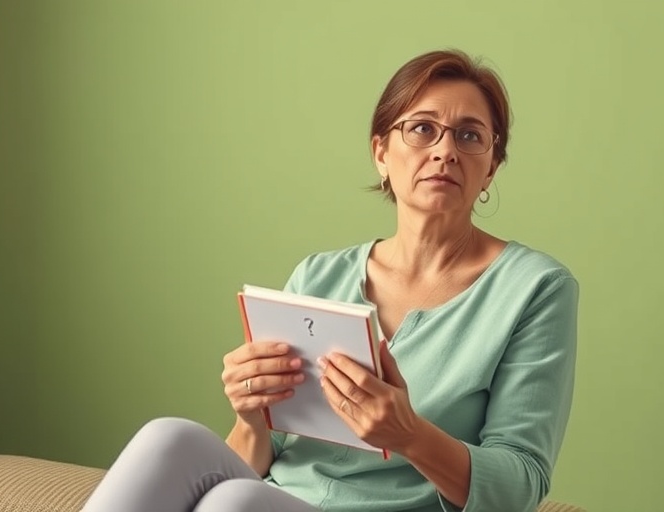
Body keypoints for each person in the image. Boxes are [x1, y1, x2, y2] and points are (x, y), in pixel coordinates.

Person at [81, 49, 579, 512]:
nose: (445, 150)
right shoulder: (318, 276)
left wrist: (409, 435)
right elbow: (261, 455)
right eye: (422, 129)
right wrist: (252, 416)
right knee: (170, 436)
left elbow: (521, 485)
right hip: (274, 500)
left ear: (490, 168)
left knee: (236, 503)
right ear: (381, 153)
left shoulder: (536, 289)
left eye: (469, 136)